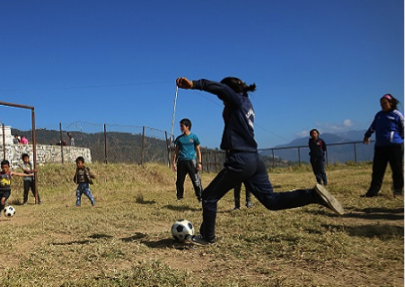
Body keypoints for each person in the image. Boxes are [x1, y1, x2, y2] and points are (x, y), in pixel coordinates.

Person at [175, 76, 344, 246]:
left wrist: (194, 85)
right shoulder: (247, 103)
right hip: (254, 159)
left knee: (209, 197)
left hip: (240, 159)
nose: (222, 100)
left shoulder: (237, 101)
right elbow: (225, 94)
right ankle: (313, 195)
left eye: (222, 98)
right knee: (271, 201)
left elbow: (222, 89)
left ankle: (207, 237)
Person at [362, 94, 404, 198]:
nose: (383, 105)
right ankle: (373, 191)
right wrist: (367, 135)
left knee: (397, 169)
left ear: (391, 103)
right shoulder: (379, 115)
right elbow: (373, 127)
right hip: (380, 146)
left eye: (385, 103)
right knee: (377, 170)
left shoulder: (397, 114)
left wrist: (397, 138)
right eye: (381, 104)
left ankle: (398, 191)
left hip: (395, 146)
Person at [173, 118, 203, 202]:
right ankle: (179, 197)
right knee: (179, 181)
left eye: (182, 126)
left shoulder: (194, 137)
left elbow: (198, 150)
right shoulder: (179, 139)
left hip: (191, 161)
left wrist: (199, 162)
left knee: (196, 180)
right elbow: (176, 152)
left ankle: (200, 197)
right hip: (181, 161)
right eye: (180, 126)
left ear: (187, 126)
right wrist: (174, 163)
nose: (181, 128)